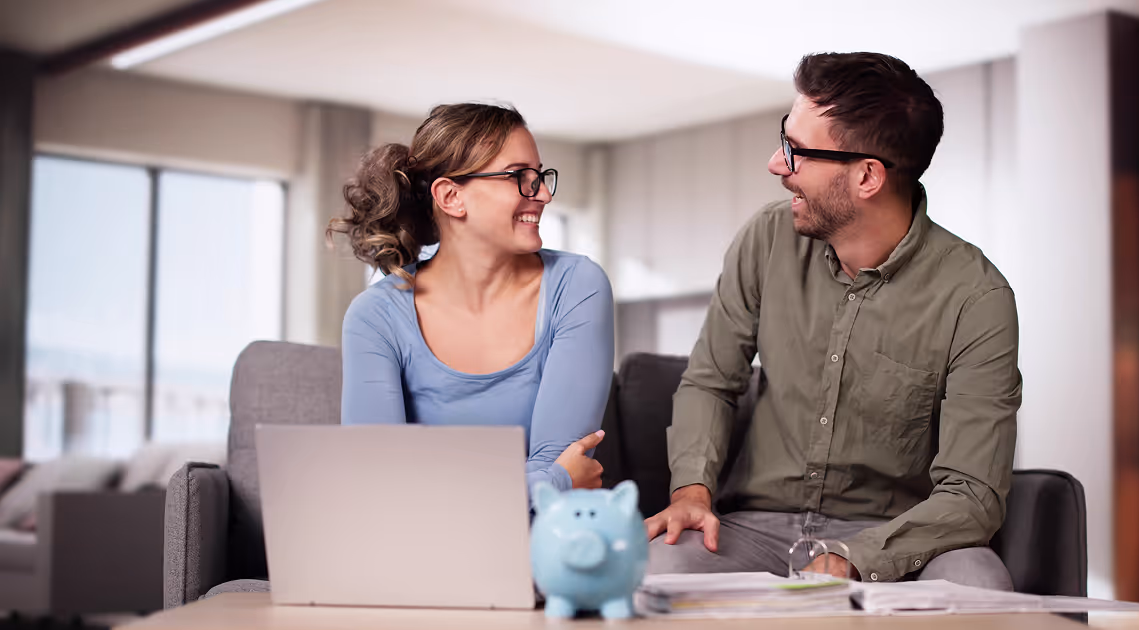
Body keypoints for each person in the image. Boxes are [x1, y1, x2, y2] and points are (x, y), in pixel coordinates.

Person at [643, 53, 1020, 590]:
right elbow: (710, 381)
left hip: (893, 540)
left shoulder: (976, 297)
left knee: (978, 579)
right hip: (753, 528)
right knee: (655, 568)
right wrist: (692, 492)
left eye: (797, 152)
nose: (777, 163)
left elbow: (972, 496)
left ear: (867, 176)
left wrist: (857, 555)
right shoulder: (766, 240)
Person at [330, 103, 614, 497]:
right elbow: (378, 483)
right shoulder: (375, 316)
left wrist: (551, 477)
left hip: (548, 544)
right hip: (421, 545)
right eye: (519, 176)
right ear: (450, 197)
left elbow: (558, 459)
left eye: (541, 176)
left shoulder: (577, 286)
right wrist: (554, 479)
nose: (544, 194)